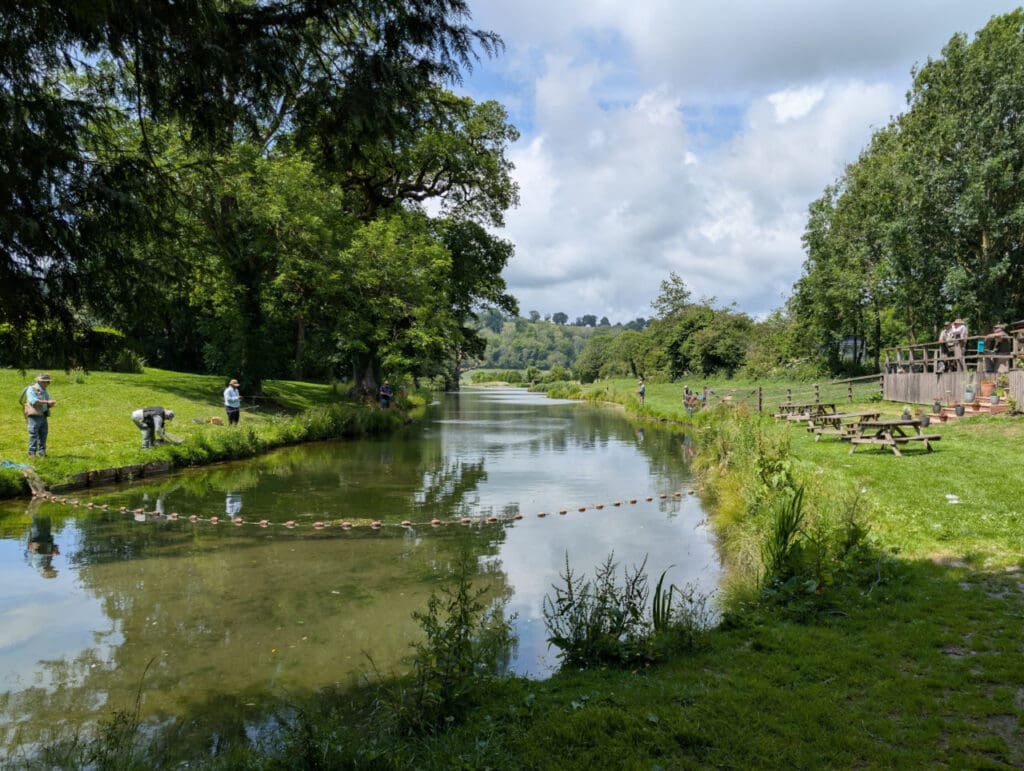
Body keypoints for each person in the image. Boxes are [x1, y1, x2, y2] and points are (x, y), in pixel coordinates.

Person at [21, 373, 55, 458]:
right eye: (45, 382)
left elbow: (47, 401)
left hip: (43, 415)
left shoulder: (45, 390)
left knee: (44, 433)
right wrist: (47, 402)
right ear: (39, 381)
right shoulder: (31, 389)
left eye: (48, 382)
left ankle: (42, 452)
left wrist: (50, 404)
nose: (47, 383)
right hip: (34, 415)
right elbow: (34, 401)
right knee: (33, 434)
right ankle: (32, 453)